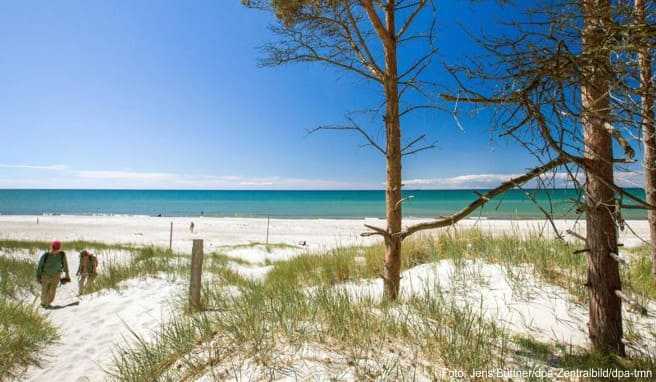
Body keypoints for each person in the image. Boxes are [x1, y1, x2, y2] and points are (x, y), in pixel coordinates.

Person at [36, 240, 70, 308]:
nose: (56, 250)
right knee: (44, 290)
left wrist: (67, 274)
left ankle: (47, 303)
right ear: (52, 247)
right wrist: (38, 276)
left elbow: (65, 264)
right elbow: (40, 266)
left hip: (56, 276)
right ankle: (43, 303)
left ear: (59, 248)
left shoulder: (62, 255)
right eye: (54, 248)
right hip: (45, 275)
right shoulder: (46, 255)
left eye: (57, 248)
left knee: (52, 291)